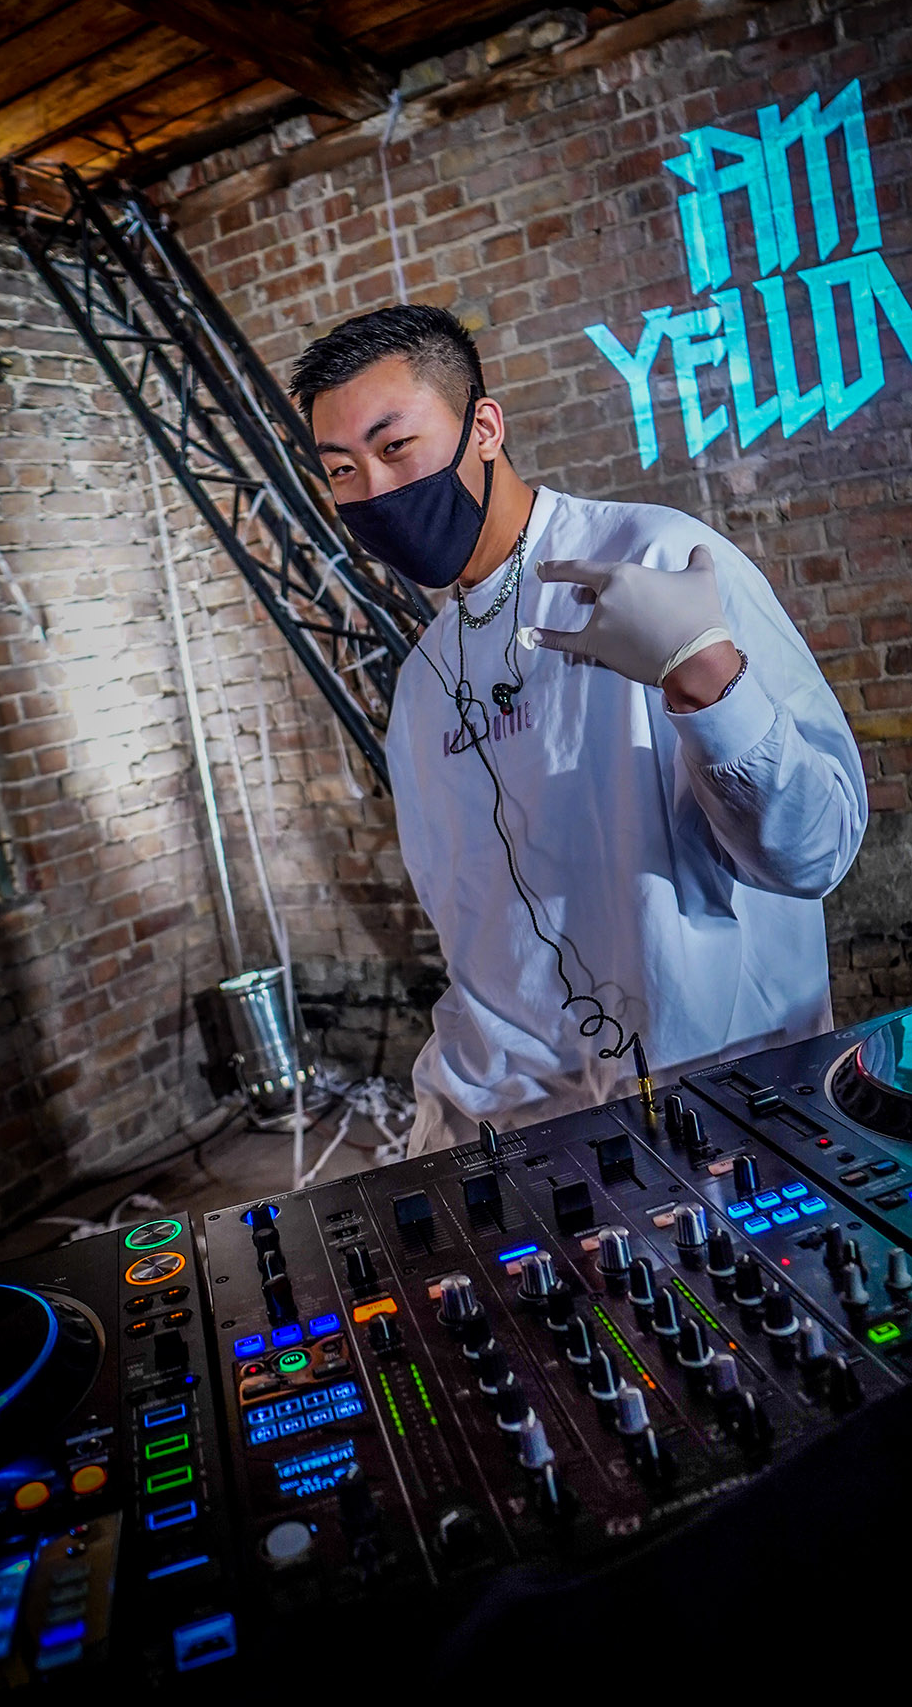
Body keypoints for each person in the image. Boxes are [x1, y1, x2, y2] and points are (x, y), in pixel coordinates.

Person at [291, 305, 867, 1156]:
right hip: (517, 1136)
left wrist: (708, 678)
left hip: (718, 1106)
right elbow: (477, 949)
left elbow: (814, 854)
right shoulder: (421, 684)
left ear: (484, 428)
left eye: (396, 446)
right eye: (342, 469)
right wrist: (443, 1134)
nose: (374, 491)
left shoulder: (658, 557)